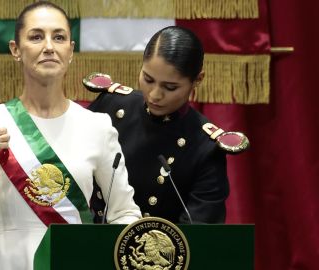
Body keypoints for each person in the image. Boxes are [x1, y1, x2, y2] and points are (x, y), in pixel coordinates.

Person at [0, 2, 141, 269]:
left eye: (59, 37)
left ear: (71, 50)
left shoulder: (98, 126)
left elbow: (125, 213)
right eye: (36, 36)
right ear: (16, 49)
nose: (49, 46)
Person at [85, 26, 249, 224]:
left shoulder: (205, 146)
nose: (155, 95)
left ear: (197, 80)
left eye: (170, 87)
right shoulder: (110, 106)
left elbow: (199, 233)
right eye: (148, 79)